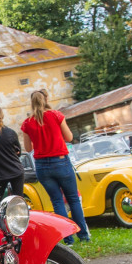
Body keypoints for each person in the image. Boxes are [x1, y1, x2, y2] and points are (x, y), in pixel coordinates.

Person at [21, 90, 90, 245]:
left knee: (57, 202)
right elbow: (69, 138)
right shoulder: (56, 115)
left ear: (32, 102)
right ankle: (84, 235)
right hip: (61, 162)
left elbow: (28, 148)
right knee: (73, 199)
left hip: (42, 167)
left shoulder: (27, 123)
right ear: (45, 100)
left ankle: (68, 239)